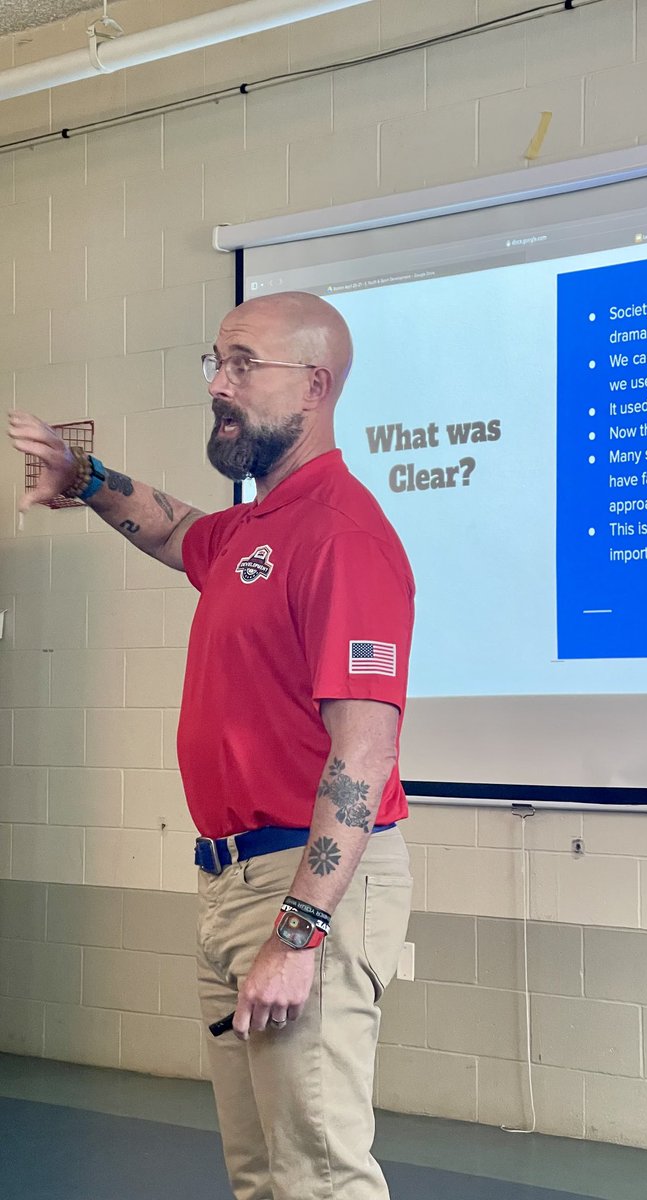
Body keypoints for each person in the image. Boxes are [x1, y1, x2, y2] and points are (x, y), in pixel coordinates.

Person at [8, 291, 415, 1200]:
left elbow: (365, 753)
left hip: (305, 887)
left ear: (314, 386)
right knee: (263, 1172)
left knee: (317, 1176)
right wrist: (82, 475)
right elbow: (178, 530)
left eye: (243, 365)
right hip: (234, 879)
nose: (219, 387)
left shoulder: (342, 534)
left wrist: (300, 933)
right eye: (216, 365)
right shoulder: (256, 529)